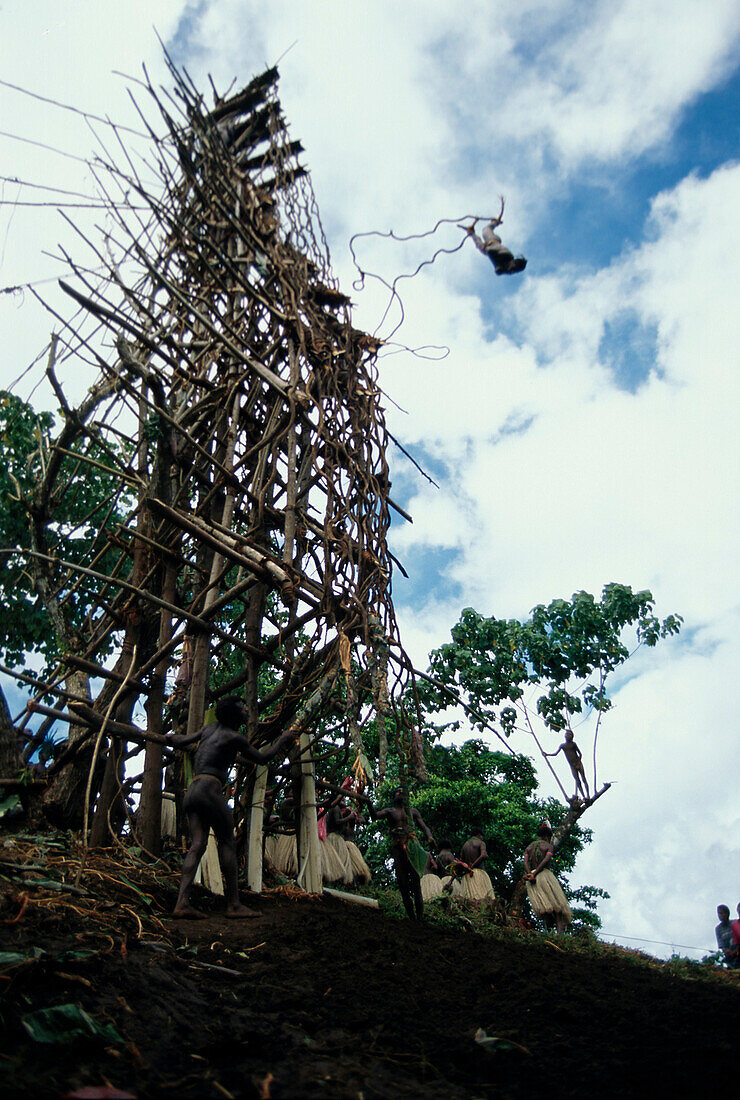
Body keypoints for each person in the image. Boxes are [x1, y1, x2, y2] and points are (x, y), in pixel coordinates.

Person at [168, 696, 295, 918]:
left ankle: (181, 903)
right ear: (233, 715)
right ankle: (234, 905)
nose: (246, 710)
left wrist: (164, 737)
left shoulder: (208, 729)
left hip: (194, 790)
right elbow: (263, 758)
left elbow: (181, 741)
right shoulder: (234, 737)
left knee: (197, 845)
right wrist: (282, 739)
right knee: (227, 841)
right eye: (242, 708)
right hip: (209, 790)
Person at [370, 786, 435, 920]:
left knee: (416, 883)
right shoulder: (390, 811)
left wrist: (429, 837)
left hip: (412, 847)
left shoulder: (413, 812)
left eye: (402, 791)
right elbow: (374, 816)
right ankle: (411, 917)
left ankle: (420, 917)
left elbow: (424, 827)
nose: (400, 792)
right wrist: (368, 802)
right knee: (403, 883)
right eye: (397, 791)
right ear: (394, 797)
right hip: (398, 849)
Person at [523, 821, 572, 933]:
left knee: (546, 910)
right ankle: (559, 935)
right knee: (558, 908)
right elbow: (546, 860)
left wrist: (530, 873)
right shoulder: (548, 846)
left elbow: (525, 862)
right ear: (547, 836)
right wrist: (534, 874)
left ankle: (548, 933)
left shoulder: (529, 847)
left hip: (533, 878)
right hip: (544, 876)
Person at [544, 730, 590, 803]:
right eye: (567, 735)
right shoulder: (563, 746)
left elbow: (580, 754)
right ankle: (584, 796)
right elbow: (555, 753)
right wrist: (547, 754)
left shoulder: (573, 744)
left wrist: (578, 761)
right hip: (572, 766)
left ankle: (588, 795)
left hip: (578, 764)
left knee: (583, 779)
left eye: (569, 735)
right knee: (578, 781)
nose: (568, 736)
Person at [451, 830, 495, 903]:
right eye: (482, 836)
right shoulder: (481, 843)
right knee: (484, 900)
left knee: (469, 902)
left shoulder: (464, 846)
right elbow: (483, 855)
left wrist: (450, 882)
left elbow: (459, 865)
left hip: (466, 878)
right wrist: (472, 866)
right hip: (479, 874)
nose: (482, 838)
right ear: (479, 835)